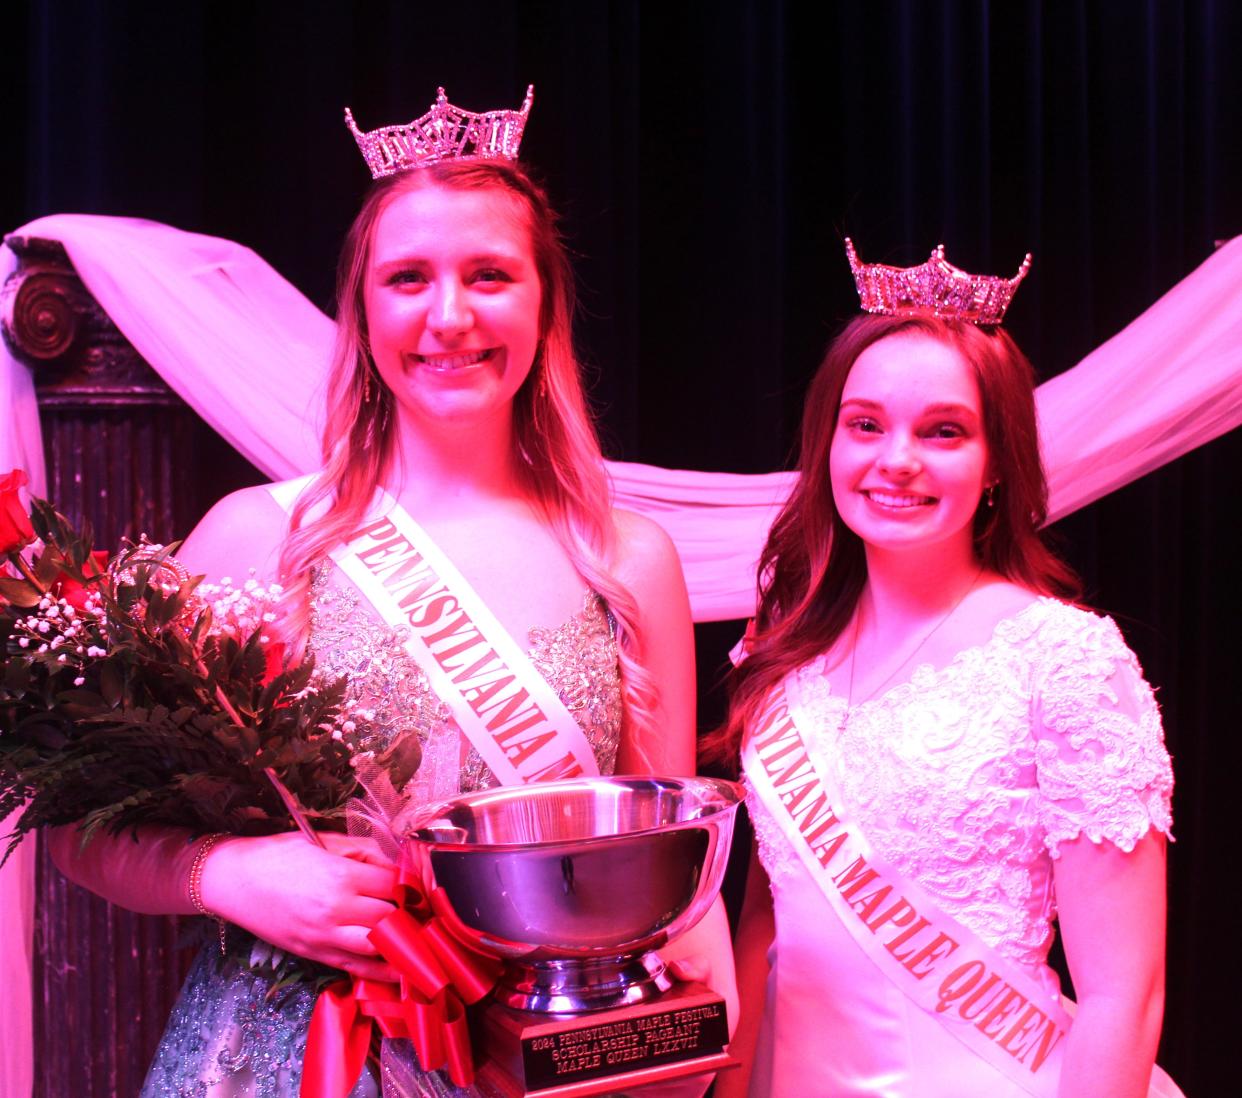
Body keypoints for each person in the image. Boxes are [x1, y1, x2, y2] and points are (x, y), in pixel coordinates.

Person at [48, 87, 733, 1096]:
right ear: (360, 309)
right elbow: (75, 830)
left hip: (537, 1064)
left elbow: (668, 887)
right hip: (287, 1057)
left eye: (490, 275)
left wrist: (688, 1048)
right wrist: (232, 875)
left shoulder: (629, 561)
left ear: (545, 303)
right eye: (408, 278)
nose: (448, 317)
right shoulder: (264, 537)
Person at [710, 242, 1178, 1097]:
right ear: (828, 441)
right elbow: (764, 923)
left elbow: (1125, 996)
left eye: (944, 431)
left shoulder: (1065, 662)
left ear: (997, 461)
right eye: (866, 424)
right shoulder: (786, 651)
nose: (897, 459)